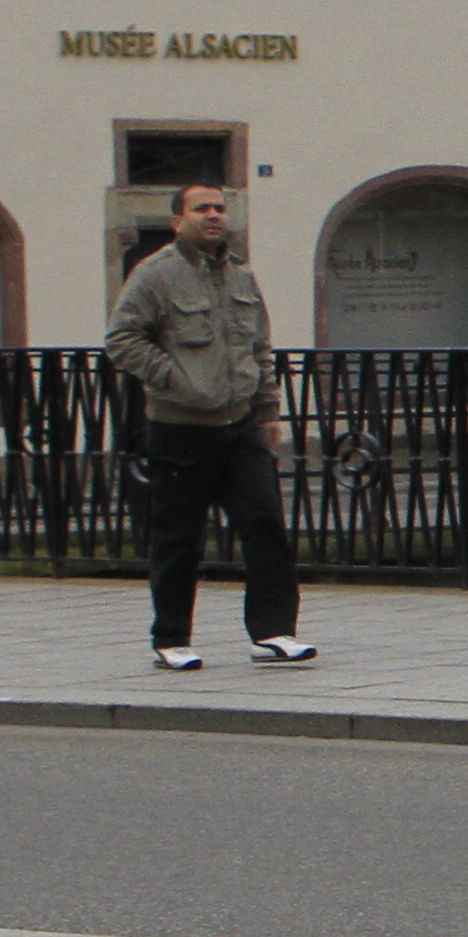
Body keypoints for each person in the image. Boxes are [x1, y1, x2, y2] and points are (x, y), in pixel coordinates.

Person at [102, 182, 312, 673]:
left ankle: (274, 631)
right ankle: (172, 638)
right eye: (202, 209)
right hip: (180, 427)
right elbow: (121, 339)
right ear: (178, 221)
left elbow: (259, 347)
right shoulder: (155, 274)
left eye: (220, 208)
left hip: (239, 425)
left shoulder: (241, 275)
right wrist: (174, 378)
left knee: (265, 525)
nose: (214, 216)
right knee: (179, 537)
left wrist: (267, 410)